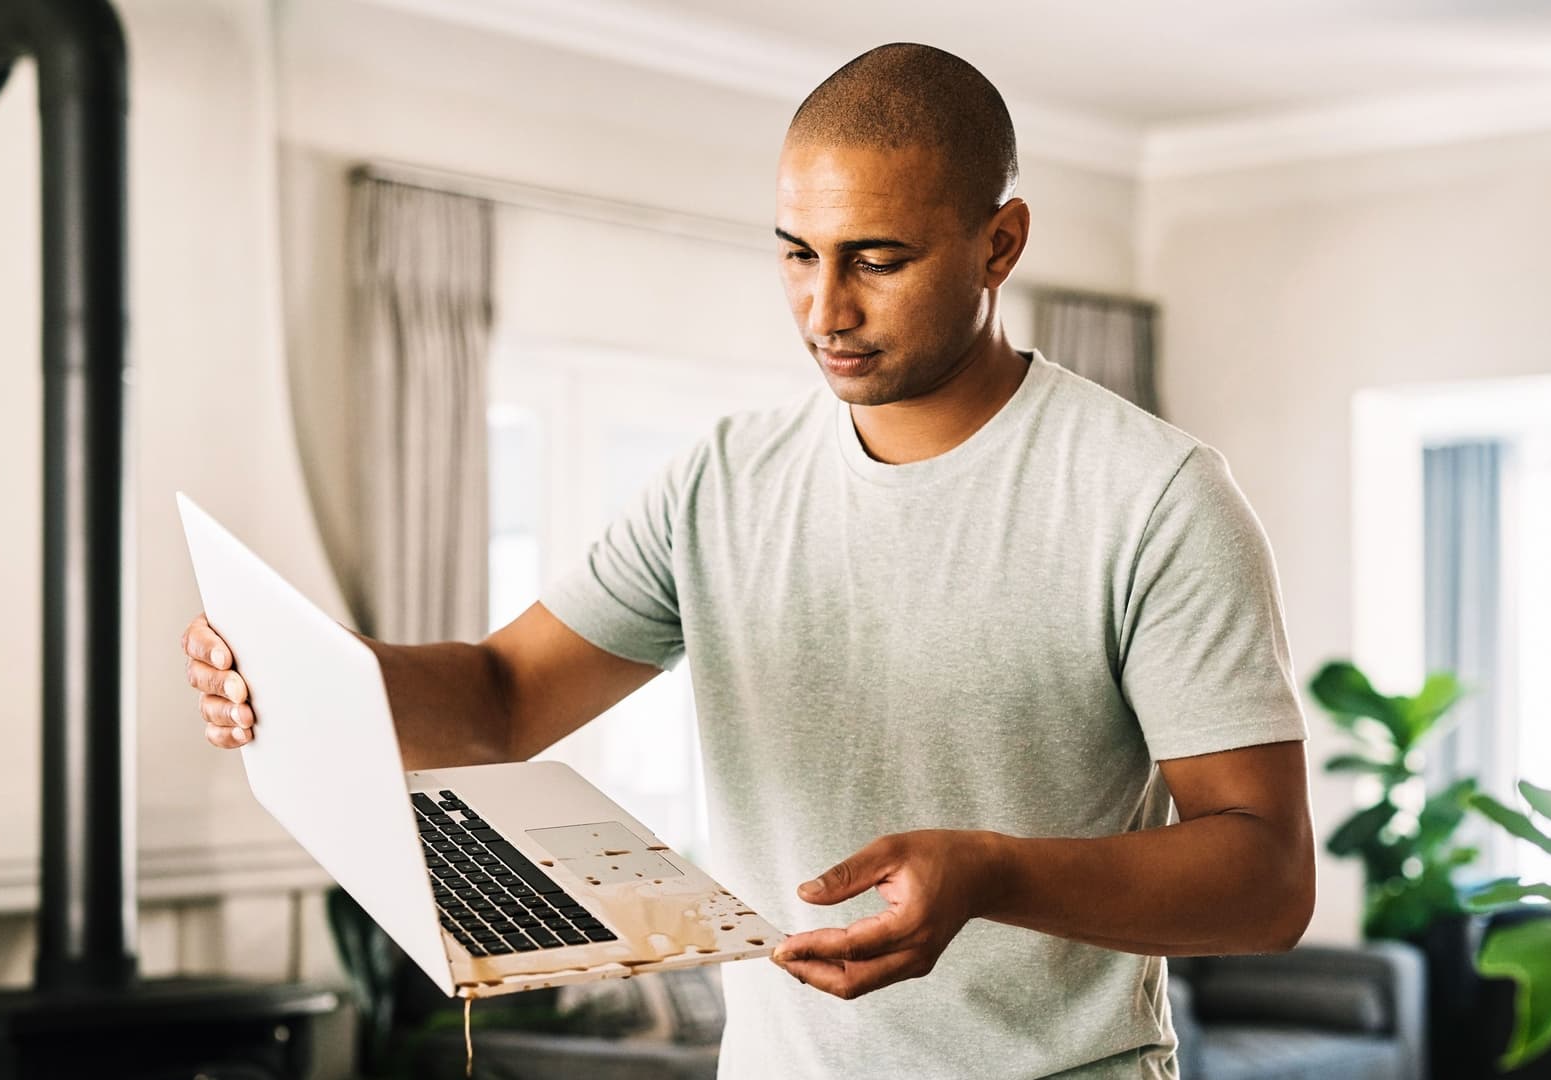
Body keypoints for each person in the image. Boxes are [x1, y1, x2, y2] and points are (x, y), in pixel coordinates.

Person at [181, 42, 1314, 1080]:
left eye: (878, 259)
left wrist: (993, 873)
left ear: (999, 243)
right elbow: (501, 697)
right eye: (797, 255)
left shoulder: (1154, 496)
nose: (826, 308)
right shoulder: (720, 481)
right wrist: (301, 673)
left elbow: (1266, 879)